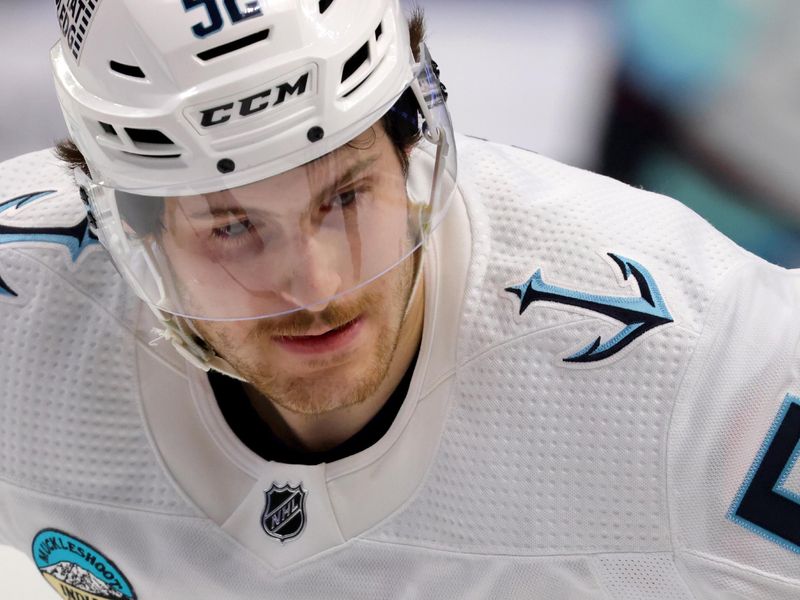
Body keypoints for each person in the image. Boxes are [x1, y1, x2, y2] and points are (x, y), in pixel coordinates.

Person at [0, 1, 798, 598]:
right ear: (131, 229)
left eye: (346, 198)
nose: (313, 286)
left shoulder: (693, 362)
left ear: (412, 151)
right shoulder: (21, 312)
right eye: (234, 228)